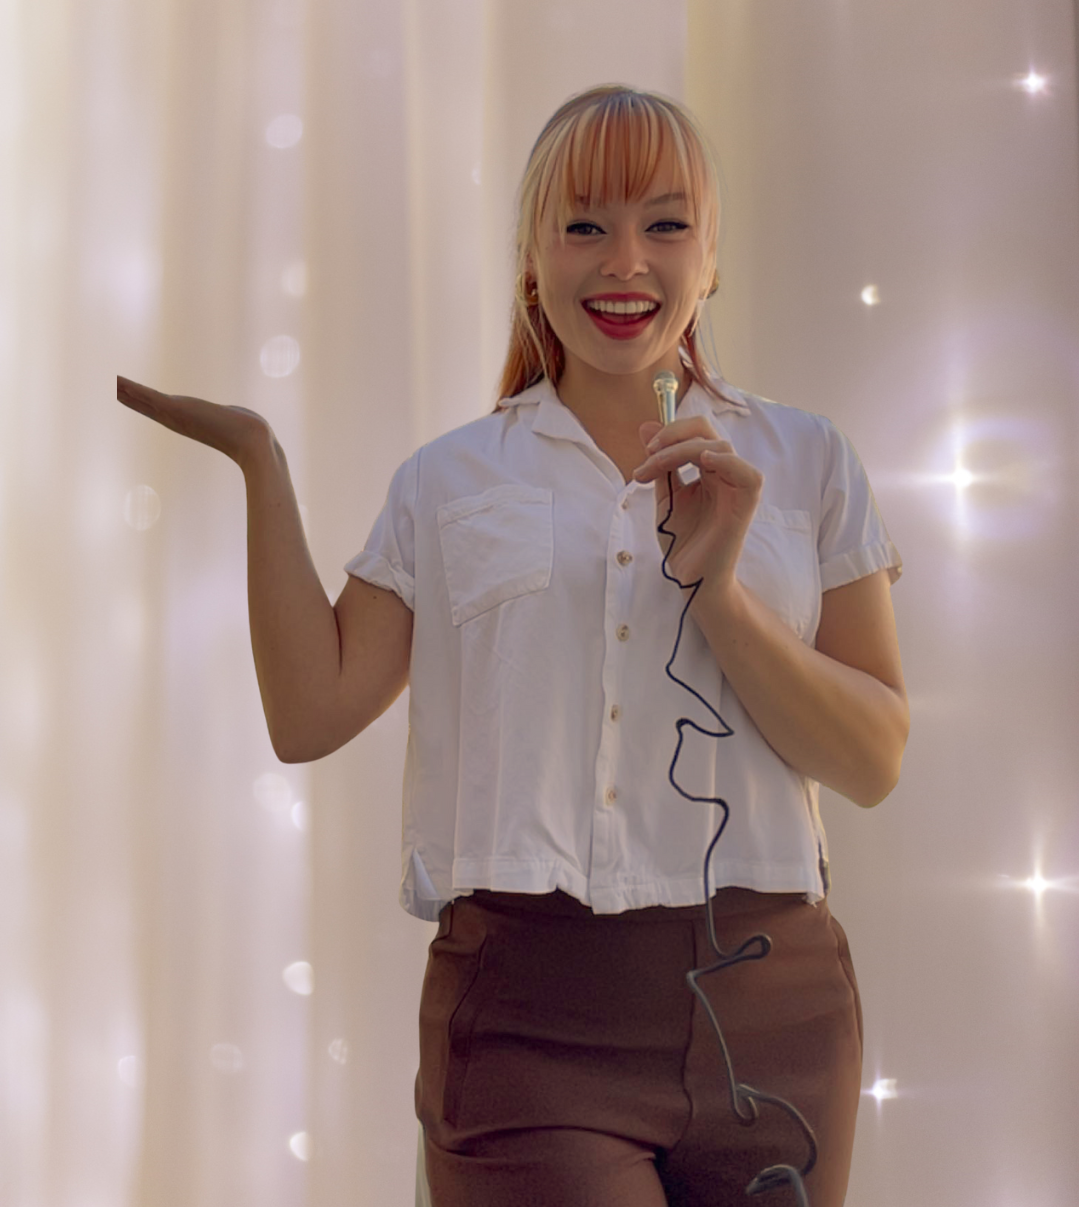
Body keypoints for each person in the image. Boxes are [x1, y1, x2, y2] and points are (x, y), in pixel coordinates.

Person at [117, 84, 907, 1207]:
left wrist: (721, 595)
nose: (624, 260)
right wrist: (261, 465)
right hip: (533, 1012)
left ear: (713, 255)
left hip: (777, 1014)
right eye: (583, 225)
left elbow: (875, 758)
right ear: (532, 259)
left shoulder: (811, 462)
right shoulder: (451, 481)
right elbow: (311, 714)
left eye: (665, 224)